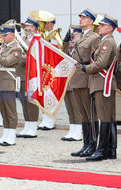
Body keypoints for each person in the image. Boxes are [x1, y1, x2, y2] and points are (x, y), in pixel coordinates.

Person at [79, 15, 118, 161]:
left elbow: (101, 63)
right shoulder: (104, 41)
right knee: (106, 117)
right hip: (99, 83)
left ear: (110, 28)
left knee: (105, 117)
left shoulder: (108, 42)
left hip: (103, 83)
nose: (99, 27)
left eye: (102, 25)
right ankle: (109, 150)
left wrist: (86, 68)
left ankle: (103, 150)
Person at [70, 8, 101, 158]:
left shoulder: (95, 38)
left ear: (91, 21)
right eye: (80, 17)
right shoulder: (78, 38)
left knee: (90, 114)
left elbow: (95, 60)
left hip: (87, 79)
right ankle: (85, 144)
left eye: (84, 18)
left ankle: (92, 145)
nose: (81, 19)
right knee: (83, 114)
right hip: (76, 78)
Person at [0, 23, 22, 146]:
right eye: (2, 34)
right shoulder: (1, 47)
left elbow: (6, 62)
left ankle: (11, 136)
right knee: (3, 110)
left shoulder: (16, 49)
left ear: (12, 35)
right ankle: (5, 134)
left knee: (10, 111)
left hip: (8, 82)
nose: (3, 37)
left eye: (5, 34)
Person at [16, 16, 40, 138]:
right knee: (23, 102)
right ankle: (27, 126)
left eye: (29, 26)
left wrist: (18, 57)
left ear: (34, 28)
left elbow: (34, 58)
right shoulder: (22, 38)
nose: (26, 28)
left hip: (31, 76)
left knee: (31, 103)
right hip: (20, 74)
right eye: (25, 26)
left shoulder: (36, 40)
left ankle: (33, 126)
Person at [61, 25, 82, 141]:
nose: (73, 36)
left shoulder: (80, 45)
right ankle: (72, 129)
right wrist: (65, 42)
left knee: (76, 107)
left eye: (76, 33)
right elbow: (63, 54)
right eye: (72, 34)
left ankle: (78, 131)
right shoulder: (70, 46)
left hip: (78, 78)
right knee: (70, 107)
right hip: (68, 78)